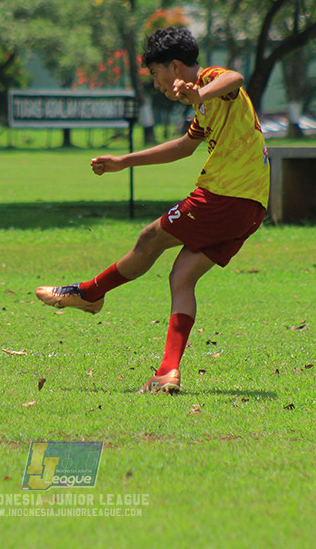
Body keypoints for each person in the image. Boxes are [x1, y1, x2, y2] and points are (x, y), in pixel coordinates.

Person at [35, 26, 269, 394]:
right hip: (251, 207)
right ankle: (167, 373)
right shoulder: (205, 108)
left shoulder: (210, 82)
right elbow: (181, 148)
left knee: (150, 238)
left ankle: (90, 293)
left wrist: (198, 92)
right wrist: (123, 162)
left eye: (155, 73)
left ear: (176, 67)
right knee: (182, 277)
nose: (155, 82)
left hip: (226, 196)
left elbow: (234, 78)